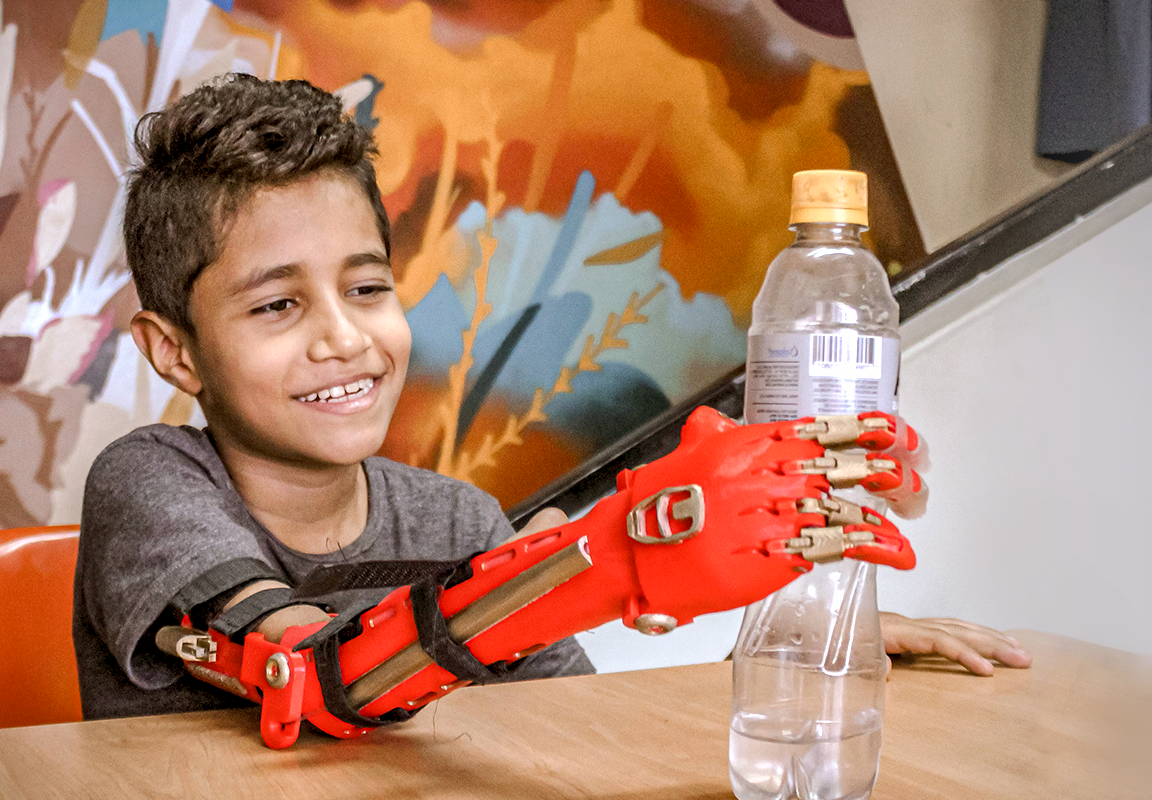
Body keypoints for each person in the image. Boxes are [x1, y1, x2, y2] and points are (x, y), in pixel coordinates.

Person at [73, 74, 1027, 721]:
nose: (343, 337)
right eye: (278, 305)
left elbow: (570, 727)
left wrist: (784, 654)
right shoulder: (148, 484)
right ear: (175, 353)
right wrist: (605, 558)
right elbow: (312, 673)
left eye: (366, 288)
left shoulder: (458, 521)